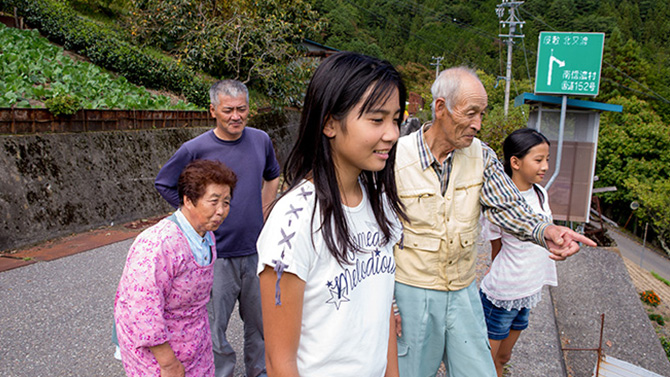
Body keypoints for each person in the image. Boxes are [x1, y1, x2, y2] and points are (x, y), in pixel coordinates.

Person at [392, 66, 596, 377]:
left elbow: (507, 207)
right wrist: (388, 304)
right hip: (411, 291)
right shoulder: (394, 156)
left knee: (479, 371)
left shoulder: (481, 156)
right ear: (440, 108)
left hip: (462, 289)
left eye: (482, 114)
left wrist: (547, 231)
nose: (478, 124)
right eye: (471, 112)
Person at [256, 51, 406, 376]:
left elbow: (382, 320)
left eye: (396, 119)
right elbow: (279, 362)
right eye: (377, 120)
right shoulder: (293, 222)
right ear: (329, 123)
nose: (392, 133)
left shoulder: (381, 204)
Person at [155, 80, 280, 377]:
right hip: (215, 256)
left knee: (262, 324)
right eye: (228, 110)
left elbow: (272, 176)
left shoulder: (261, 140)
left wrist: (264, 212)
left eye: (242, 109)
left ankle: (259, 372)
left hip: (256, 251)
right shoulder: (195, 148)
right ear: (213, 110)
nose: (236, 116)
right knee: (214, 330)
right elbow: (164, 183)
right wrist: (196, 217)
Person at [115, 159, 237, 377]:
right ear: (188, 200)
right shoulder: (158, 244)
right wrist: (168, 362)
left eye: (226, 202)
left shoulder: (207, 235)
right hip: (160, 354)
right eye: (214, 201)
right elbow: (142, 309)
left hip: (195, 340)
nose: (221, 211)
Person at [479, 128, 557, 376]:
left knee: (503, 357)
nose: (545, 166)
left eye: (547, 159)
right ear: (515, 162)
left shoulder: (540, 193)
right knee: (484, 364)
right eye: (538, 160)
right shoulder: (498, 201)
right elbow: (496, 246)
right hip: (503, 294)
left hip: (528, 290)